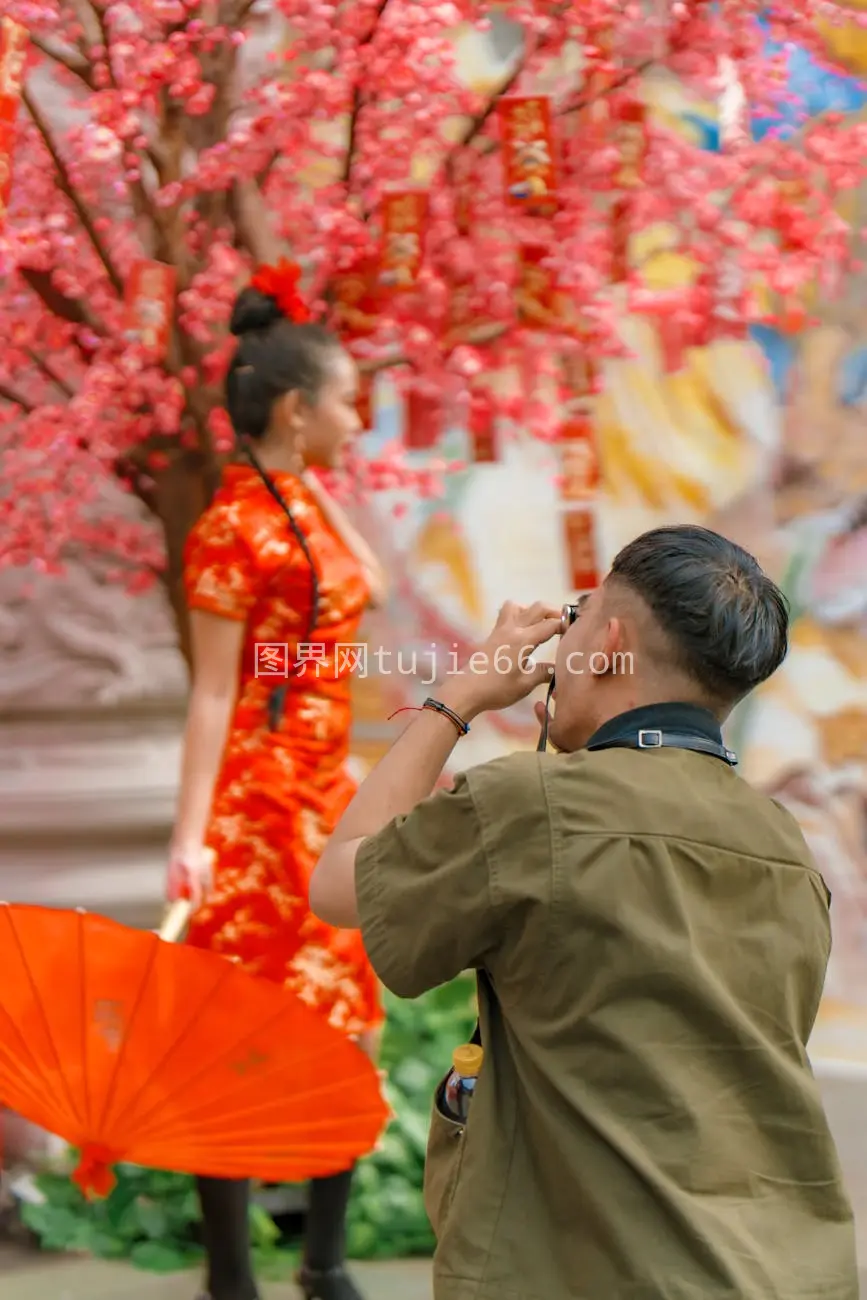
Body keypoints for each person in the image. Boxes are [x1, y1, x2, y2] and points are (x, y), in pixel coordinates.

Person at [309, 524, 859, 1300]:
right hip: (788, 1272)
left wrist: (457, 697)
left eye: (575, 620)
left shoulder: (529, 807)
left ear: (607, 646)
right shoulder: (783, 845)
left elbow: (337, 881)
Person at [168, 261, 387, 1300]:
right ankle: (230, 1273)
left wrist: (316, 472)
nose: (363, 415)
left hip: (326, 795)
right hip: (257, 810)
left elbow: (365, 594)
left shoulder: (303, 504)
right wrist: (189, 836)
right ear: (300, 409)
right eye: (347, 399)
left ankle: (325, 1260)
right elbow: (218, 689)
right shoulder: (230, 529)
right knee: (238, 1026)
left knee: (342, 1014)